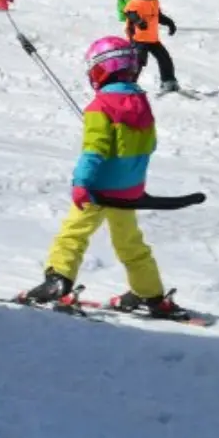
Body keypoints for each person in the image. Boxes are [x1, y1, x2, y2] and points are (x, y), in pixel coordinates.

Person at [17, 35, 189, 320]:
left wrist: (82, 183)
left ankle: (58, 279)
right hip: (128, 193)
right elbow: (148, 146)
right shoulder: (141, 103)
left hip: (99, 191)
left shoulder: (100, 108)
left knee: (72, 235)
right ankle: (151, 294)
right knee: (131, 245)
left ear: (103, 70)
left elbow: (93, 152)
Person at [124, 0, 181, 92]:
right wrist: (138, 21)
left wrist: (170, 23)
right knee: (138, 62)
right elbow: (129, 13)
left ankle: (168, 81)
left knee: (165, 59)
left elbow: (158, 16)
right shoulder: (136, 1)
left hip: (152, 39)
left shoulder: (154, 1)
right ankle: (128, 85)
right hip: (138, 39)